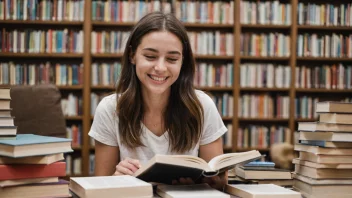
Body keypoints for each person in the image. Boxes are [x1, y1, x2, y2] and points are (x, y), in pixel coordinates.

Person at [88, 11, 228, 189]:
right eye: (150, 56)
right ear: (132, 56)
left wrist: (203, 183)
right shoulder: (110, 109)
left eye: (172, 59)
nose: (160, 68)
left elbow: (219, 183)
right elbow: (101, 187)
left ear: (182, 62)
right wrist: (116, 179)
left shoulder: (203, 106)